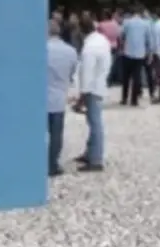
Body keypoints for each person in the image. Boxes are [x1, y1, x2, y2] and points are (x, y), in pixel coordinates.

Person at [75, 15, 112, 172]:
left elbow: (87, 74)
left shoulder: (89, 49)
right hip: (100, 84)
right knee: (93, 122)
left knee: (95, 123)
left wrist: (81, 96)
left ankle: (95, 159)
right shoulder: (102, 40)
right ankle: (89, 152)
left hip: (92, 89)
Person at [45, 19, 79, 177]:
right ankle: (52, 164)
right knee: (56, 133)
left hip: (40, 97)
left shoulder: (40, 49)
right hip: (59, 96)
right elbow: (73, 73)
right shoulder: (71, 51)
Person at [119, 5, 151, 106]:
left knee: (126, 77)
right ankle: (134, 100)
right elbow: (148, 40)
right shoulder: (146, 24)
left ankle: (124, 98)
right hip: (140, 54)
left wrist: (123, 46)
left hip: (128, 53)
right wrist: (149, 54)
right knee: (137, 77)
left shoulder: (126, 22)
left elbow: (121, 35)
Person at [97, 8, 122, 86]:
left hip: (104, 47)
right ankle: (111, 80)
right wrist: (120, 45)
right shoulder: (115, 24)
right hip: (114, 46)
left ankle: (106, 81)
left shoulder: (101, 25)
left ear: (104, 16)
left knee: (105, 64)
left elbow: (98, 36)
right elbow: (118, 37)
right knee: (113, 64)